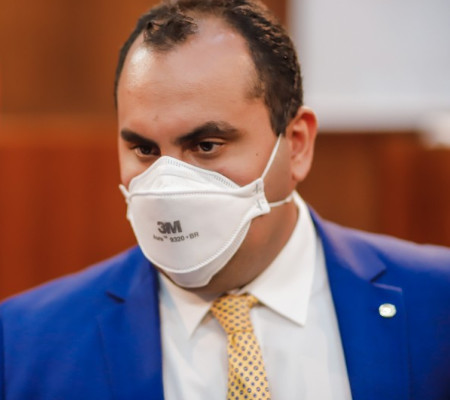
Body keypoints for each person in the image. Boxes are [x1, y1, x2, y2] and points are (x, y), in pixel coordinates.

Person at [1, 0, 449, 399]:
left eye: (206, 145)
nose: (167, 184)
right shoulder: (25, 345)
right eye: (145, 149)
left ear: (296, 145)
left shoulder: (437, 303)